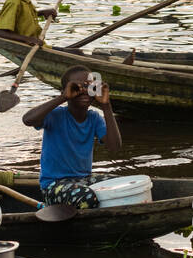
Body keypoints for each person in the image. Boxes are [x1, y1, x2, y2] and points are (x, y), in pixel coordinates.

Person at [21, 65, 121, 208]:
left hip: (83, 180)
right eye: (77, 88)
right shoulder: (56, 115)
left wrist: (106, 105)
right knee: (86, 197)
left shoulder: (94, 118)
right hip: (54, 186)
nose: (84, 91)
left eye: (89, 87)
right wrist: (63, 97)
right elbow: (27, 120)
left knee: (119, 186)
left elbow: (115, 146)